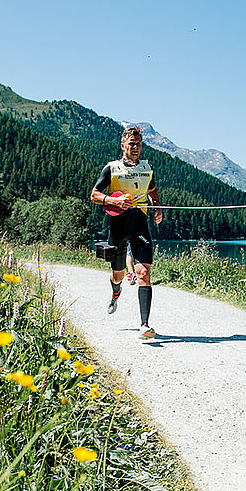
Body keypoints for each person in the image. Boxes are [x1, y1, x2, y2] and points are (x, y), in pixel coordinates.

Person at [89, 126, 163, 338]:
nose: (136, 148)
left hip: (140, 225)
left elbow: (153, 191)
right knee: (118, 273)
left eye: (139, 144)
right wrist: (114, 200)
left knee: (143, 273)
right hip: (118, 227)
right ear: (123, 146)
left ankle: (145, 325)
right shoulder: (111, 169)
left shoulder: (147, 169)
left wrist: (157, 206)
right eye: (132, 144)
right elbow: (94, 195)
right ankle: (115, 292)